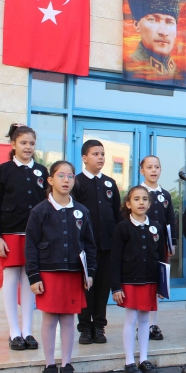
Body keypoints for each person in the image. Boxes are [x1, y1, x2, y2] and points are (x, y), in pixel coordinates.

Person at [25, 161, 97, 373]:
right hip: (49, 273)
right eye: (61, 176)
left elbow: (90, 244)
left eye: (70, 176)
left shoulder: (81, 211)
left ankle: (66, 364)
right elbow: (30, 245)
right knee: (49, 319)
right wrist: (34, 276)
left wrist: (90, 273)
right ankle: (49, 365)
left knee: (68, 319)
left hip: (74, 274)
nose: (66, 180)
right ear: (50, 180)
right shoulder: (40, 211)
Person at [0, 124, 49, 351]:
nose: (28, 147)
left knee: (29, 280)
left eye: (32, 143)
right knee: (11, 278)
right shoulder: (3, 170)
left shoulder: (43, 171)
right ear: (13, 144)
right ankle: (14, 331)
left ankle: (28, 331)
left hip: (35, 235)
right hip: (10, 233)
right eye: (23, 143)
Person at [110, 186, 167, 373]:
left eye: (144, 199)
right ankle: (129, 362)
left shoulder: (157, 227)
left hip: (150, 280)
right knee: (131, 320)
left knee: (145, 321)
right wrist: (116, 286)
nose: (141, 202)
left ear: (150, 203)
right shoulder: (122, 228)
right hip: (130, 281)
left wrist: (162, 285)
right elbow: (115, 259)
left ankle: (143, 359)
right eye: (136, 199)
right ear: (128, 203)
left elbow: (162, 258)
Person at [73, 140, 122, 345]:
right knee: (86, 287)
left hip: (107, 246)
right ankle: (85, 328)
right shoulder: (76, 182)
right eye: (95, 154)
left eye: (102, 154)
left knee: (102, 288)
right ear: (84, 158)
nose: (100, 157)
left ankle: (99, 326)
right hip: (85, 248)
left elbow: (117, 215)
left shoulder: (110, 183)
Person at [139, 156, 175, 341]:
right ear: (141, 170)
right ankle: (140, 325)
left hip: (159, 247)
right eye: (149, 167)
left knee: (157, 286)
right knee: (141, 284)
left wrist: (172, 243)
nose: (153, 170)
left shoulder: (165, 195)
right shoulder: (137, 193)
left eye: (157, 167)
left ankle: (152, 324)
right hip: (140, 247)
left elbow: (171, 220)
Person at [123, 0, 181, 80]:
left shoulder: (178, 72)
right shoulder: (131, 67)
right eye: (153, 20)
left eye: (170, 22)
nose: (163, 32)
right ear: (136, 24)